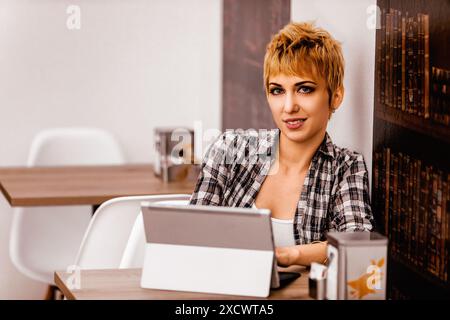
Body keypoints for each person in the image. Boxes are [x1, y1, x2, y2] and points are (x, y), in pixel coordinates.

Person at [189, 22, 374, 267]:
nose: (288, 107)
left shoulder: (346, 167)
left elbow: (356, 242)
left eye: (305, 89)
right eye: (277, 91)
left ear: (336, 96)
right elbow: (191, 233)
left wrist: (289, 255)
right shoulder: (229, 150)